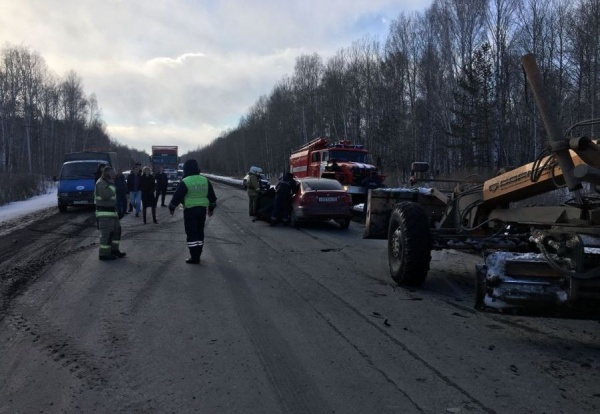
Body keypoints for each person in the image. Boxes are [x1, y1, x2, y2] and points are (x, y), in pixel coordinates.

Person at [168, 159, 217, 264]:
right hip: (202, 210)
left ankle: (194, 257)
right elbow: (212, 197)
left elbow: (177, 196)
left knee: (191, 233)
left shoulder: (186, 181)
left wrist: (172, 207)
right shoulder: (205, 180)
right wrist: (211, 208)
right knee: (200, 232)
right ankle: (198, 254)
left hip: (190, 210)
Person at [94, 166, 126, 260]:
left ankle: (114, 250)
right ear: (106, 173)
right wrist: (112, 185)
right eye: (112, 173)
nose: (114, 175)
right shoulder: (101, 183)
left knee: (117, 231)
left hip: (112, 212)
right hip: (104, 213)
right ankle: (103, 254)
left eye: (114, 173)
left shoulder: (109, 182)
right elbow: (105, 195)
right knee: (107, 234)